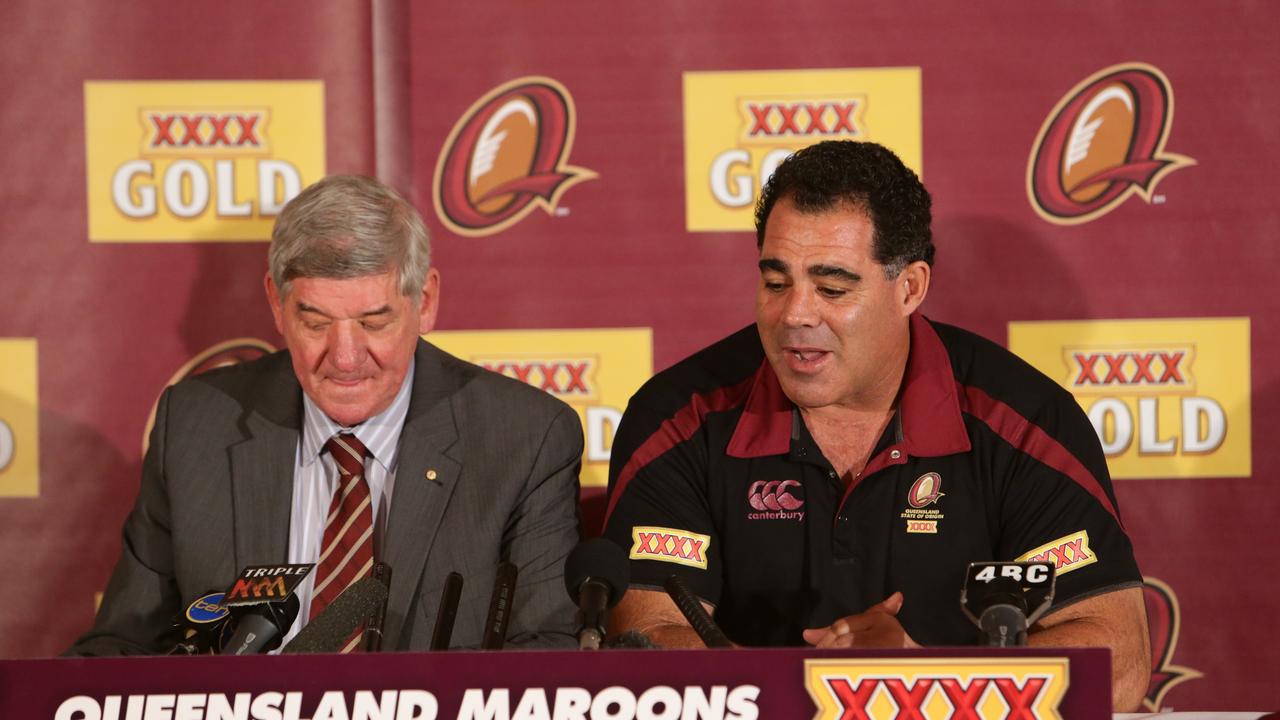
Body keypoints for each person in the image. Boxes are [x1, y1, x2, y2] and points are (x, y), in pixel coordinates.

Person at [601, 141, 1151, 710]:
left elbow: (1116, 663)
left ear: (909, 287)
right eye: (775, 282)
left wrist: (915, 679)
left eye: (832, 288)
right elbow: (646, 647)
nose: (795, 314)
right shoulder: (679, 418)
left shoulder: (1025, 421)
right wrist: (815, 697)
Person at [70, 175, 582, 654]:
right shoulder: (195, 427)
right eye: (315, 322)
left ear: (423, 302)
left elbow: (545, 659)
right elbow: (122, 648)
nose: (345, 357)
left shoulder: (522, 439)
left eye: (373, 322)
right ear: (276, 304)